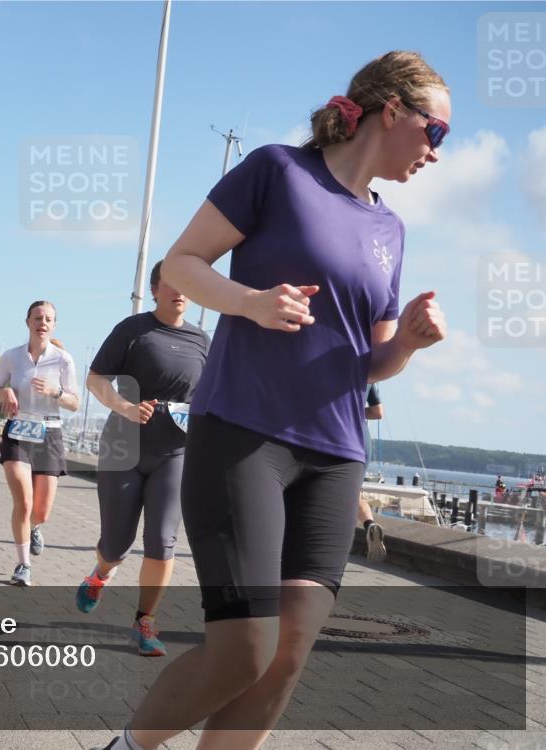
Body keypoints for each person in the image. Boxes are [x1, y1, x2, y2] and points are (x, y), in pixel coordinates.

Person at [101, 51, 449, 750]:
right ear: (391, 113)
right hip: (245, 436)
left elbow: (373, 358)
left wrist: (408, 343)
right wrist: (252, 303)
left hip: (335, 456)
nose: (437, 154)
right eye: (435, 133)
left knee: (286, 658)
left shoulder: (391, 230)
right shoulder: (277, 171)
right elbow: (181, 264)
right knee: (245, 648)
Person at [78, 260, 208, 656]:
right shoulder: (132, 330)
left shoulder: (204, 341)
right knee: (116, 543)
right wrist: (124, 406)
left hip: (175, 452)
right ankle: (101, 573)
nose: (179, 290)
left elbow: (213, 397)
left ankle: (145, 622)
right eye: (170, 283)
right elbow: (95, 379)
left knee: (162, 541)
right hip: (124, 447)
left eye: (186, 283)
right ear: (154, 289)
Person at [0, 302, 79, 586]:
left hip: (49, 433)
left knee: (40, 512)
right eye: (38, 317)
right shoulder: (11, 357)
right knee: (24, 502)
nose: (43, 322)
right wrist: (5, 392)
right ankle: (23, 565)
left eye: (48, 319)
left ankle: (35, 529)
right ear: (27, 321)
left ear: (54, 325)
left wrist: (56, 391)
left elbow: (75, 403)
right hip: (18, 430)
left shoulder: (63, 360)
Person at [359, 384, 386, 562]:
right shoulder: (368, 372)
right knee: (353, 493)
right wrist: (358, 411)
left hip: (335, 437)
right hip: (362, 441)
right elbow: (378, 412)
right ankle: (369, 523)